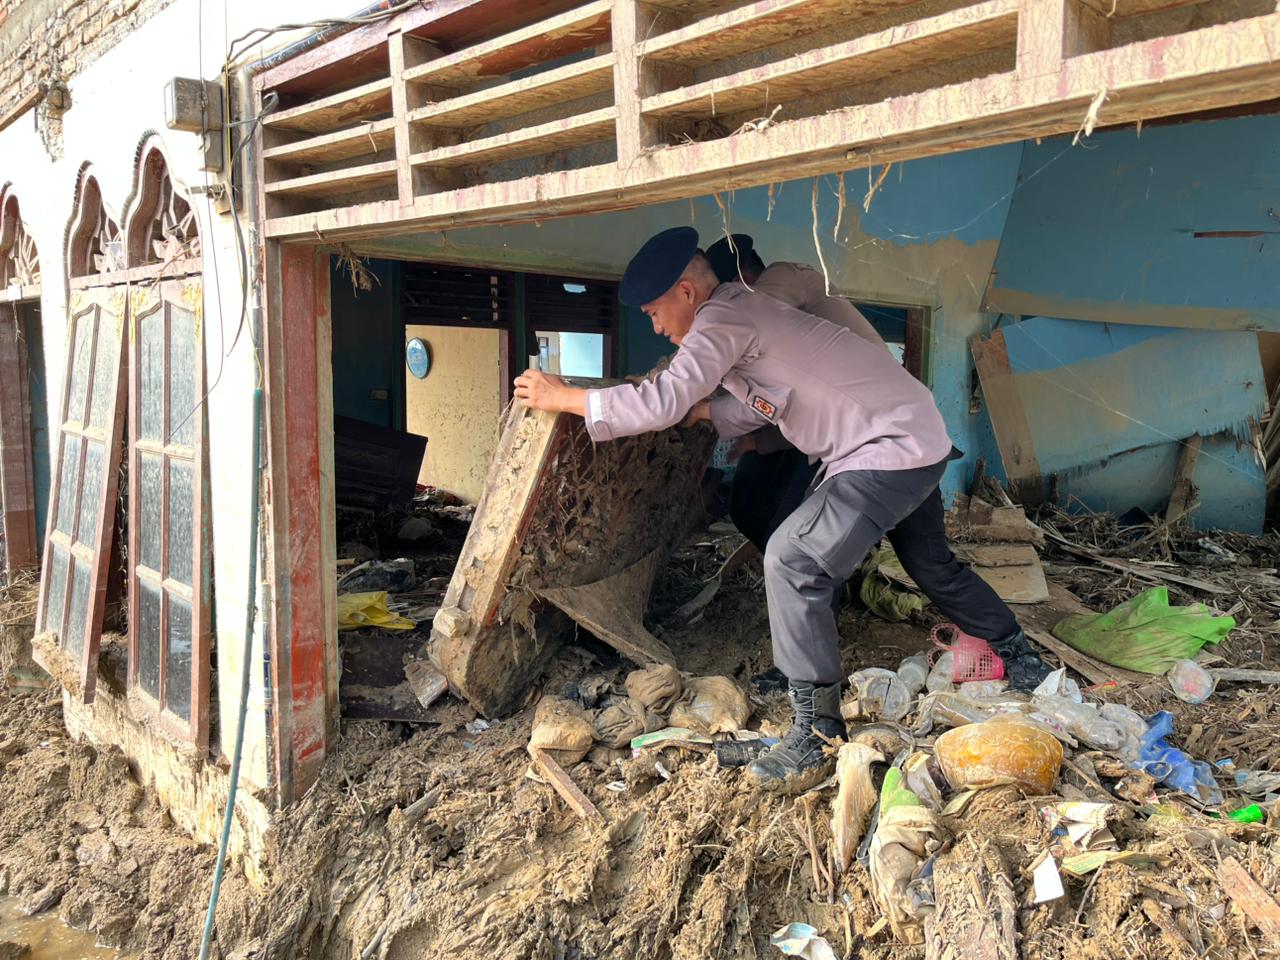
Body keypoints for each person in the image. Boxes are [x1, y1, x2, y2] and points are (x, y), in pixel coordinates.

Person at [514, 226, 1049, 792]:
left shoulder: (722, 318)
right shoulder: (748, 314)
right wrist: (703, 412)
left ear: (686, 293)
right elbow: (764, 405)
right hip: (916, 438)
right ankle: (1020, 655)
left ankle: (815, 734)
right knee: (932, 565)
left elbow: (664, 398)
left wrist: (563, 397)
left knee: (793, 560)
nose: (656, 326)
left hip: (883, 449)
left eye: (654, 312)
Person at [704, 234, 888, 553]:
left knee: (794, 534)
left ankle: (808, 572)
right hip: (813, 429)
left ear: (739, 282)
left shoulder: (781, 290)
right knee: (748, 503)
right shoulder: (765, 317)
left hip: (859, 433)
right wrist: (758, 441)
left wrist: (703, 409)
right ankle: (784, 570)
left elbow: (792, 399)